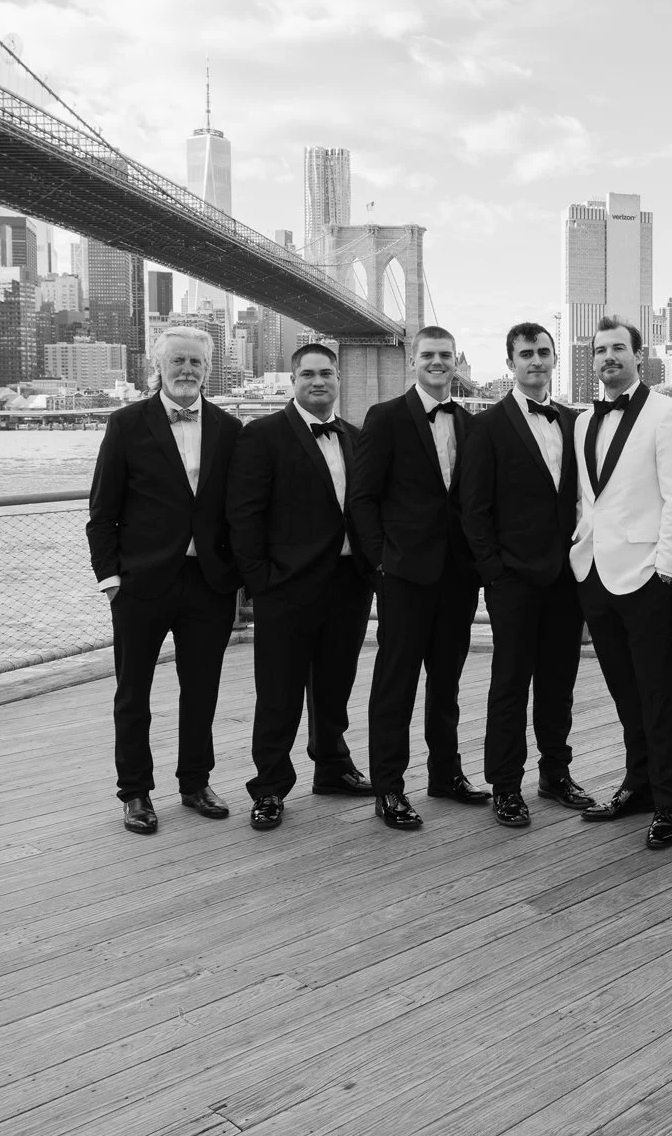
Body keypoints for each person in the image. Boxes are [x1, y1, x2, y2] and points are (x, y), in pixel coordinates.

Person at [85, 326, 243, 835]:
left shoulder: (230, 427)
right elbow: (102, 513)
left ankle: (195, 783)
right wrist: (111, 581)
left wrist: (238, 575)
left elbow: (240, 510)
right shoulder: (126, 423)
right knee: (133, 694)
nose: (186, 370)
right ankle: (134, 792)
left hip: (209, 583)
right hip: (141, 584)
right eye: (177, 360)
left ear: (208, 368)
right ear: (158, 366)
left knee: (201, 691)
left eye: (195, 362)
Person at [226, 341, 375, 831]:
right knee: (279, 692)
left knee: (335, 684)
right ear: (293, 381)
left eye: (326, 373)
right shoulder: (262, 435)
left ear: (338, 380)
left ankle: (332, 767)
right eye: (308, 374)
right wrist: (261, 582)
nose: (318, 381)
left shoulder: (356, 437)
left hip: (349, 583)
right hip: (285, 587)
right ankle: (269, 786)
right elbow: (244, 515)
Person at [456, 321, 595, 829]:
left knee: (559, 682)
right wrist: (494, 572)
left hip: (566, 577)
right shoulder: (487, 426)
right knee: (510, 684)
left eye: (543, 352)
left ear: (554, 358)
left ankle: (556, 774)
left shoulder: (575, 422)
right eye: (526, 354)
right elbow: (473, 508)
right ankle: (506, 785)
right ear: (510, 363)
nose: (536, 361)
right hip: (513, 578)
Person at [351, 325, 488, 829]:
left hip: (458, 576)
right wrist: (380, 564)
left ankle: (445, 774)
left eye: (446, 355)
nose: (437, 362)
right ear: (413, 359)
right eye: (428, 354)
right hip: (404, 575)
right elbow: (362, 497)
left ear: (455, 362)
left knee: (446, 682)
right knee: (396, 683)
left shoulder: (470, 424)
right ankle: (388, 787)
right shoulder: (385, 417)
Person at [570, 315, 672, 849]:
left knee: (657, 692)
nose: (609, 357)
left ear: (638, 356)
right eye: (600, 350)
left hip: (648, 575)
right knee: (625, 691)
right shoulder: (583, 422)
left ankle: (669, 802)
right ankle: (638, 785)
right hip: (594, 573)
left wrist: (668, 569)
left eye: (619, 348)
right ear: (593, 361)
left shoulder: (669, 414)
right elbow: (589, 499)